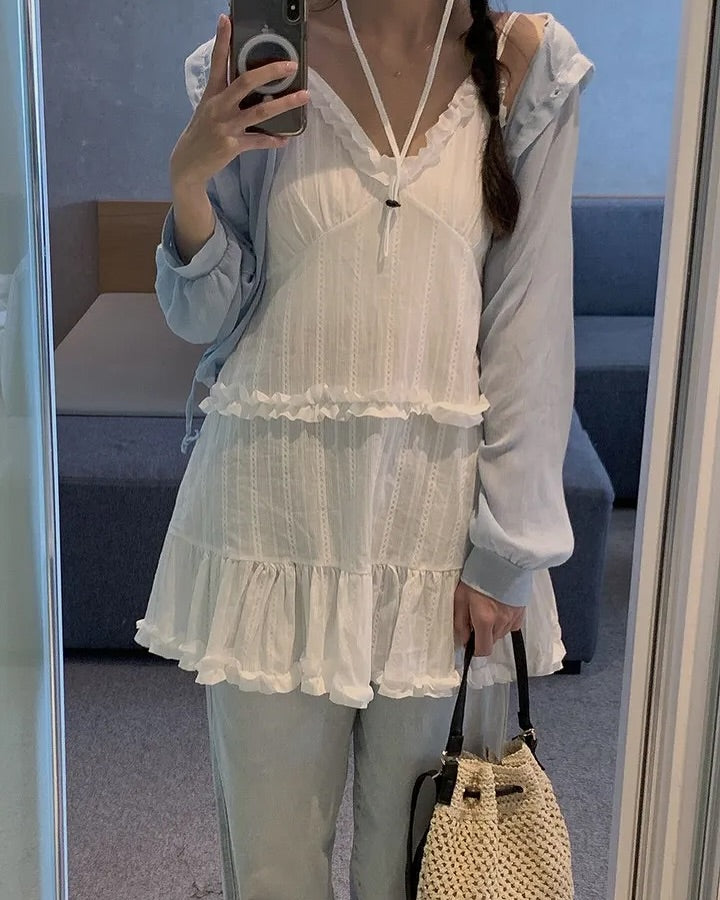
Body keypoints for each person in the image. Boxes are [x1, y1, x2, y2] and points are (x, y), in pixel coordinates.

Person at [134, 1, 594, 897]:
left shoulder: (525, 63)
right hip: (271, 524)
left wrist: (507, 552)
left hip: (438, 542)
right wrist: (189, 182)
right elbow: (204, 315)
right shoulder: (257, 58)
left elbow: (530, 324)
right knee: (273, 869)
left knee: (424, 865)